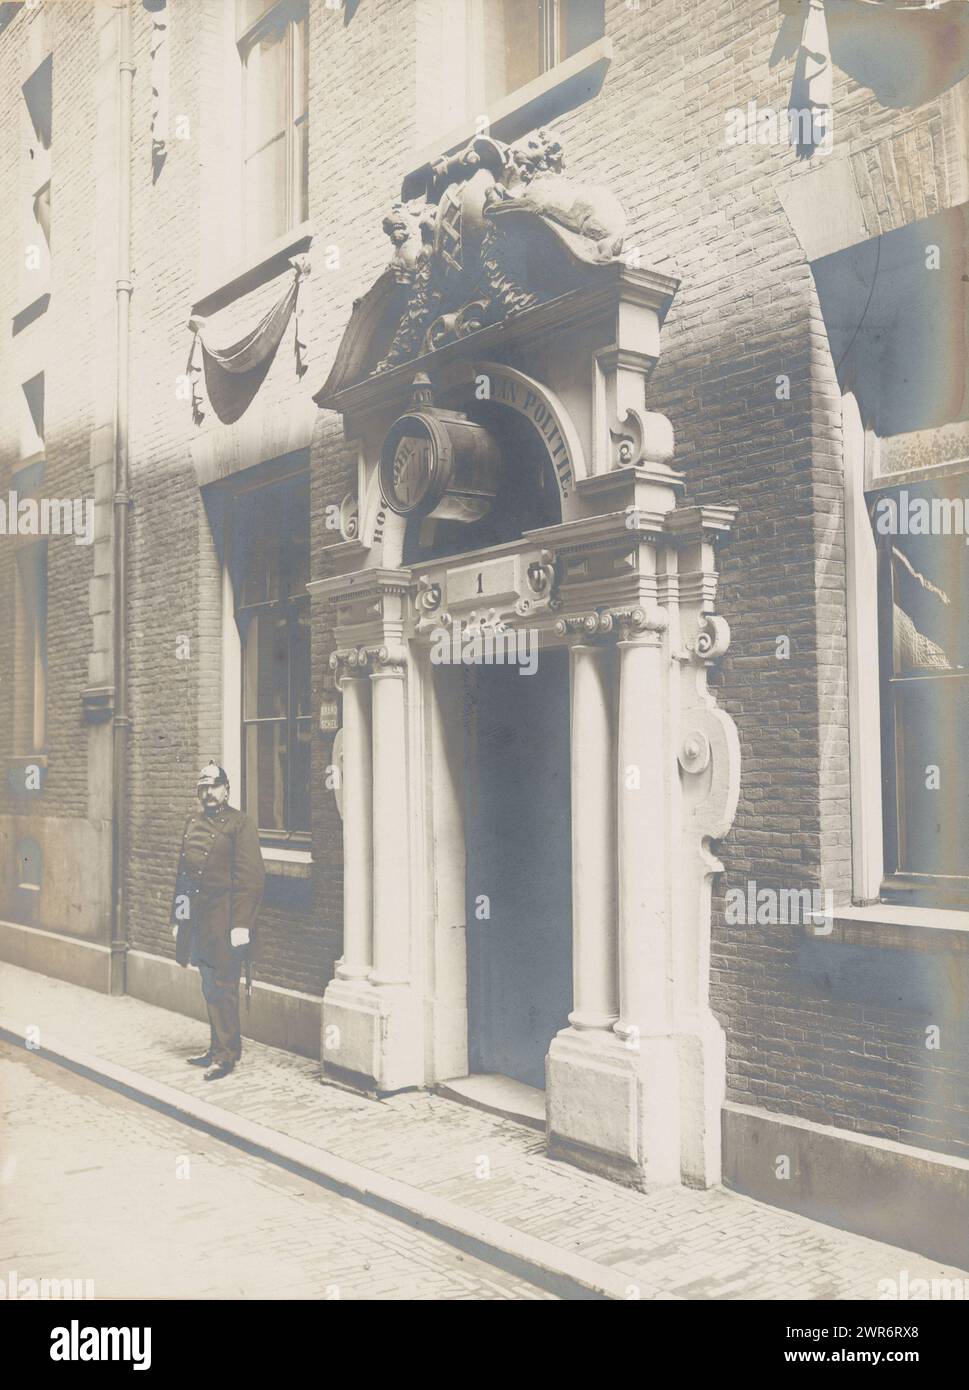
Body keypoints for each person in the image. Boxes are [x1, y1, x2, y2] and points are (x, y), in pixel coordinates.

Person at [170, 762, 265, 1081]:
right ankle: (216, 1048)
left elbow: (251, 880)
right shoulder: (192, 822)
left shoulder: (241, 824)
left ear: (226, 789)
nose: (208, 793)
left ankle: (226, 1055)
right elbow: (184, 876)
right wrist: (179, 917)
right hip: (199, 920)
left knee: (224, 985)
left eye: (214, 786)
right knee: (209, 984)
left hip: (226, 921)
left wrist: (241, 924)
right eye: (203, 788)